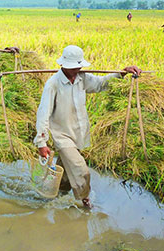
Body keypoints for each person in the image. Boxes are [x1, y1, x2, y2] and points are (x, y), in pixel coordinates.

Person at [34, 45, 141, 209]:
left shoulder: (82, 78)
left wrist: (122, 73)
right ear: (64, 65)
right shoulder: (53, 84)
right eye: (74, 67)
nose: (78, 69)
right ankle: (85, 202)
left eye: (79, 66)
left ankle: (53, 198)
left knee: (65, 174)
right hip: (62, 136)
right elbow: (43, 113)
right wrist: (42, 143)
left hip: (78, 134)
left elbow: (100, 84)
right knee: (81, 170)